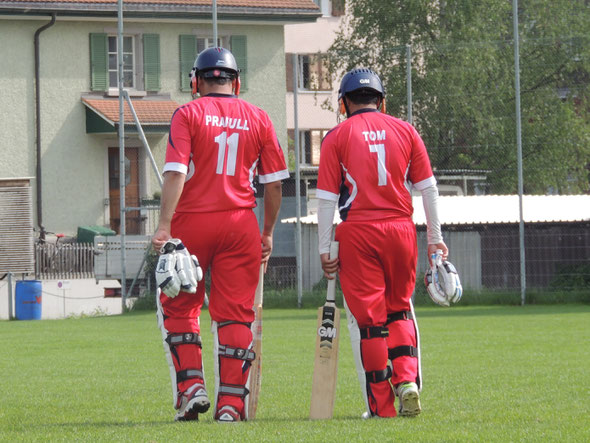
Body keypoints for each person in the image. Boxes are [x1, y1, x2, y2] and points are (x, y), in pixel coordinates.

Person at [151, 47, 288, 422]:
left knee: (179, 306)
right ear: (237, 82)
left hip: (192, 222)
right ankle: (232, 404)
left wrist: (164, 225)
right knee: (235, 315)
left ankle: (191, 387)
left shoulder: (188, 113)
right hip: (241, 223)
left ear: (195, 82)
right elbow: (274, 185)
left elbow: (176, 172)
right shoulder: (259, 117)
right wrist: (267, 232)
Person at [316, 68, 448, 418]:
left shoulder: (336, 136)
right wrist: (435, 238)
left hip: (358, 232)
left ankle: (382, 407)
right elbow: (429, 189)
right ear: (382, 100)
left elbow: (327, 200)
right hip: (401, 229)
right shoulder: (406, 130)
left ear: (344, 103)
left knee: (371, 324)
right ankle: (407, 381)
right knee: (400, 308)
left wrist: (325, 247)